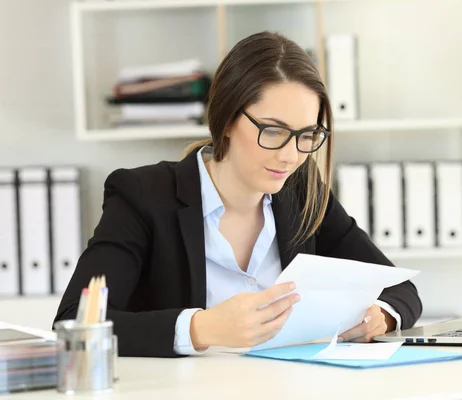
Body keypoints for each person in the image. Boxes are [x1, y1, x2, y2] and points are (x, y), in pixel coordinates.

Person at [53, 31, 422, 358]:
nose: (291, 155)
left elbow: (399, 288)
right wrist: (202, 328)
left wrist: (381, 316)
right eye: (274, 131)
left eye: (307, 135)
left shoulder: (302, 190)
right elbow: (75, 320)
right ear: (227, 119)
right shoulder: (143, 195)